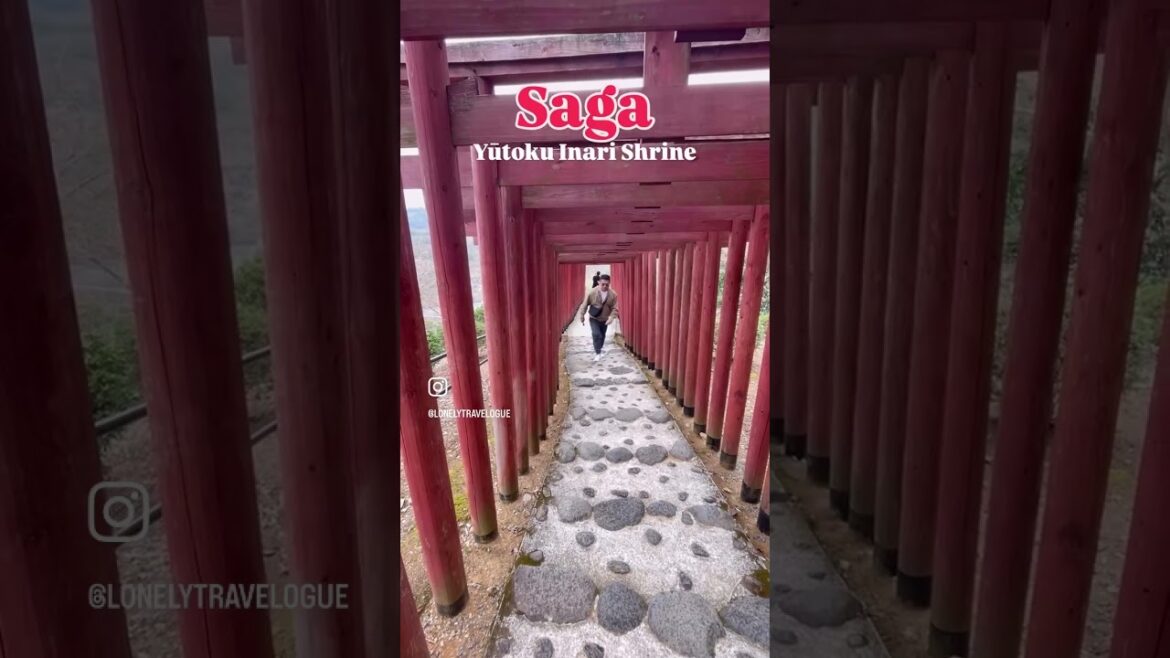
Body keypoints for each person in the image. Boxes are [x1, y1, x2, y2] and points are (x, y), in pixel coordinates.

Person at [579, 274, 618, 361]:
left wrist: (611, 317)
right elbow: (585, 304)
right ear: (598, 282)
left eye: (607, 284)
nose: (605, 286)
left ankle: (599, 350)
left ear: (609, 283)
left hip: (605, 319)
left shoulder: (613, 294)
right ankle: (597, 353)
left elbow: (615, 308)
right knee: (597, 334)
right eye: (603, 284)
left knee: (602, 336)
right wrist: (582, 316)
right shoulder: (592, 292)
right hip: (594, 318)